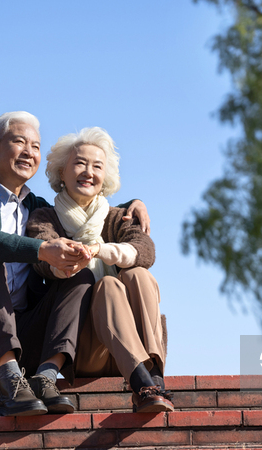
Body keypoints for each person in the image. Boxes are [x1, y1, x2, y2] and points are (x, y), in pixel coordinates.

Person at [0, 112, 149, 417]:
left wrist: (134, 202)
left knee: (79, 275)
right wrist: (40, 249)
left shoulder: (38, 208)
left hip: (25, 337)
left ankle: (45, 378)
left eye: (36, 146)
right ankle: (11, 380)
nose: (29, 152)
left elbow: (85, 204)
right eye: (19, 142)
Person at [26, 127, 173, 413]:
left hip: (129, 345)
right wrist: (66, 258)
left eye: (97, 166)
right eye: (80, 163)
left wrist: (100, 250)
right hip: (81, 348)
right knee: (108, 286)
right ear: (62, 171)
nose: (88, 172)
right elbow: (41, 257)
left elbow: (145, 250)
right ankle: (142, 383)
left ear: (105, 177)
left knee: (137, 273)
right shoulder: (45, 217)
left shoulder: (117, 216)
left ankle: (153, 376)